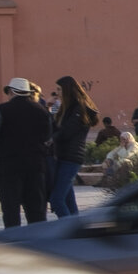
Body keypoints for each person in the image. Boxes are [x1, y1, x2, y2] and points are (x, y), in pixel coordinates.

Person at [0, 77, 52, 228]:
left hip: (10, 166)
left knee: (11, 210)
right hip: (36, 166)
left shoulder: (1, 110)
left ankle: (14, 243)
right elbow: (47, 136)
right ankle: (37, 245)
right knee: (36, 211)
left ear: (12, 92)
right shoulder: (42, 111)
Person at [45, 76, 99, 220]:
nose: (57, 93)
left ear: (67, 90)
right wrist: (48, 109)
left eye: (59, 89)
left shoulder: (78, 109)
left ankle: (69, 231)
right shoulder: (67, 108)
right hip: (63, 156)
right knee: (68, 201)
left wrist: (51, 140)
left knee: (56, 200)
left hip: (71, 158)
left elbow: (67, 131)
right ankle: (77, 231)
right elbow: (55, 128)